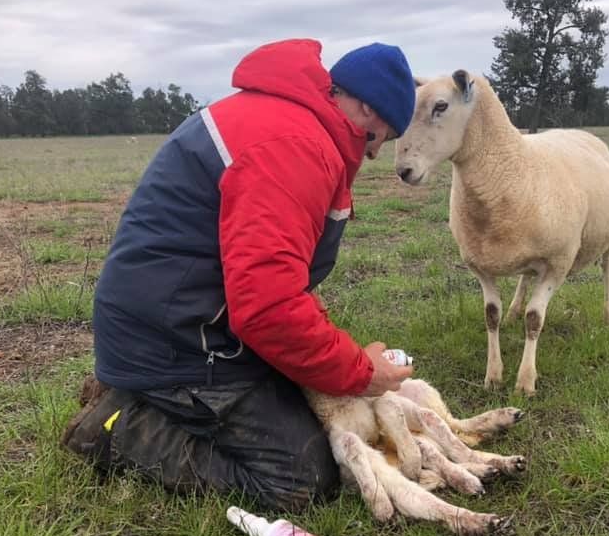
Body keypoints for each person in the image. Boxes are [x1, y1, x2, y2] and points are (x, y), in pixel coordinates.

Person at [62, 38, 417, 510]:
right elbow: (268, 308)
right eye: (383, 140)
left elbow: (279, 277)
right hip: (176, 344)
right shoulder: (298, 146)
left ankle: (138, 395)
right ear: (370, 114)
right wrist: (357, 372)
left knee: (312, 411)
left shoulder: (285, 119)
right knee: (303, 474)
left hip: (186, 319)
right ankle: (117, 426)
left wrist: (343, 355)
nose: (372, 157)